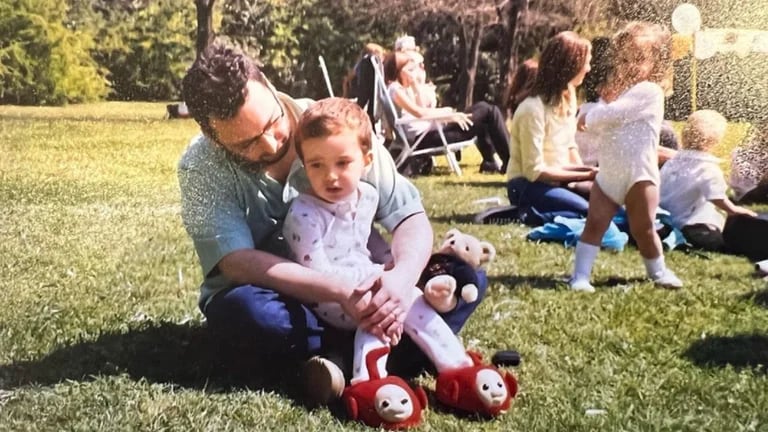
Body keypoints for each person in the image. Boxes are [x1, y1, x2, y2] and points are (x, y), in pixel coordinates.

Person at [177, 42, 487, 406]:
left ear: (271, 87)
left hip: (364, 279)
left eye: (273, 122)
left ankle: (336, 362)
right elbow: (236, 261)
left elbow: (409, 216)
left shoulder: (335, 123)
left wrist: (401, 279)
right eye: (246, 143)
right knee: (247, 315)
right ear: (215, 140)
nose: (271, 142)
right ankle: (396, 347)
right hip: (281, 298)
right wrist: (341, 292)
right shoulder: (197, 167)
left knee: (466, 279)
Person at [284, 97, 512, 423]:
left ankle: (457, 369)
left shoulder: (366, 196)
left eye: (342, 163)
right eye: (317, 165)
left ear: (366, 159)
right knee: (382, 304)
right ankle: (370, 384)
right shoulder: (304, 212)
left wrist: (392, 276)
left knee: (414, 295)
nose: (330, 176)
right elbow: (316, 271)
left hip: (362, 274)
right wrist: (376, 291)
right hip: (327, 293)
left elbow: (369, 245)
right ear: (303, 165)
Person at [569, 22, 683, 292]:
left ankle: (658, 271)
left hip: (640, 175)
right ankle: (580, 276)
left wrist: (588, 117)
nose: (630, 64)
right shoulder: (621, 93)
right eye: (624, 59)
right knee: (594, 224)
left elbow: (611, 115)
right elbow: (609, 118)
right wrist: (594, 116)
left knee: (643, 228)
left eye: (639, 59)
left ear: (656, 64)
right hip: (609, 174)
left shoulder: (650, 92)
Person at [506, 31, 597, 221]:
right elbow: (535, 171)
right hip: (526, 185)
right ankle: (524, 214)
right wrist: (583, 175)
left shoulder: (568, 96)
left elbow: (569, 145)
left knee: (609, 207)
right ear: (571, 65)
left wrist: (587, 177)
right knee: (591, 213)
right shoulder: (532, 109)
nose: (588, 68)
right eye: (585, 62)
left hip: (560, 181)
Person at [384, 51, 510, 174]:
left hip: (433, 131)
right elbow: (419, 113)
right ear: (398, 71)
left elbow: (422, 105)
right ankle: (511, 162)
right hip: (425, 138)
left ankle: (492, 163)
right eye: (410, 70)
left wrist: (415, 84)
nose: (413, 74)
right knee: (488, 111)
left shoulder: (403, 88)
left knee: (486, 111)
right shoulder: (395, 90)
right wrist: (449, 116)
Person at [660, 110, 757, 251]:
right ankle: (679, 239)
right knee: (720, 242)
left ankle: (669, 235)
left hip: (664, 216)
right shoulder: (707, 168)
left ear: (683, 135)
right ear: (715, 142)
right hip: (689, 223)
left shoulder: (672, 161)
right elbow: (716, 197)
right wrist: (733, 210)